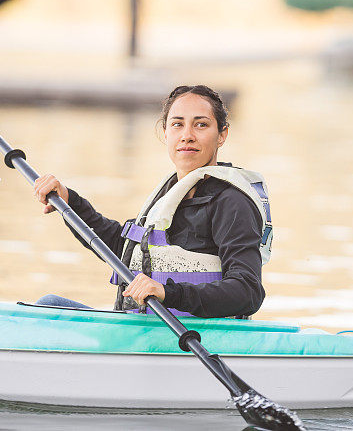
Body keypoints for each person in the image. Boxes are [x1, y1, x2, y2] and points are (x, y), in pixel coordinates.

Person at [32, 85, 272, 318]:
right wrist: (68, 201)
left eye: (201, 125)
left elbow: (248, 291)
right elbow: (121, 247)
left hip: (194, 338)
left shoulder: (231, 202)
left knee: (45, 308)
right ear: (165, 133)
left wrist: (168, 293)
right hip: (142, 329)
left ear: (222, 135)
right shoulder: (167, 195)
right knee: (47, 307)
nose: (187, 136)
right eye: (177, 124)